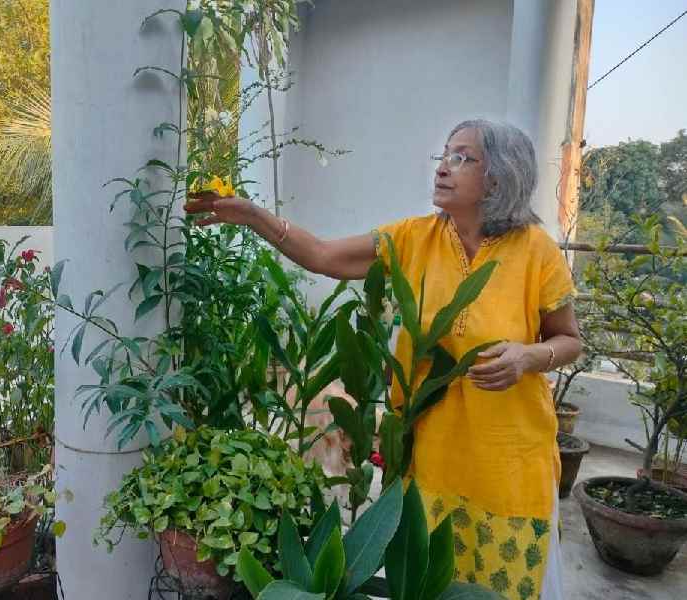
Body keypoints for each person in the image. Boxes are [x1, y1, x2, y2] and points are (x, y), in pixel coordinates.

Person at [185, 119, 580, 599]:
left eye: (463, 159)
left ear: (498, 178)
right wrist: (252, 216)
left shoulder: (537, 250)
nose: (443, 169)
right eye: (444, 156)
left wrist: (529, 356)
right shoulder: (414, 239)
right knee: (431, 583)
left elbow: (569, 341)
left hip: (510, 461)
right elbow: (325, 256)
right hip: (434, 455)